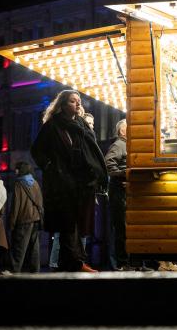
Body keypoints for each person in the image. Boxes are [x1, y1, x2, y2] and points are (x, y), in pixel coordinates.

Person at [31, 89, 108, 272]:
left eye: (79, 101)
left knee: (79, 224)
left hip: (81, 183)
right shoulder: (52, 126)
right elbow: (37, 151)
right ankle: (74, 263)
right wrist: (50, 166)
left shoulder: (81, 125)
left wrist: (95, 173)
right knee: (67, 223)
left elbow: (92, 149)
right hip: (61, 183)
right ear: (63, 105)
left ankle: (75, 261)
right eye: (73, 101)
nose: (78, 104)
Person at [104, 119, 131, 270]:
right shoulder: (119, 145)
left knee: (123, 228)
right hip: (118, 193)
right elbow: (109, 164)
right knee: (121, 228)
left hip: (121, 193)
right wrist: (125, 174)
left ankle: (125, 262)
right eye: (129, 127)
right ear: (122, 131)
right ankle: (122, 263)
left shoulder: (125, 145)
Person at [9, 161, 43, 273]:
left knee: (19, 247)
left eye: (17, 169)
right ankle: (35, 271)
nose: (16, 171)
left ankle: (15, 270)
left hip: (23, 220)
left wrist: (12, 223)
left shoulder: (19, 184)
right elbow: (40, 202)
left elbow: (16, 205)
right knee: (34, 247)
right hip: (36, 219)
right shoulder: (35, 183)